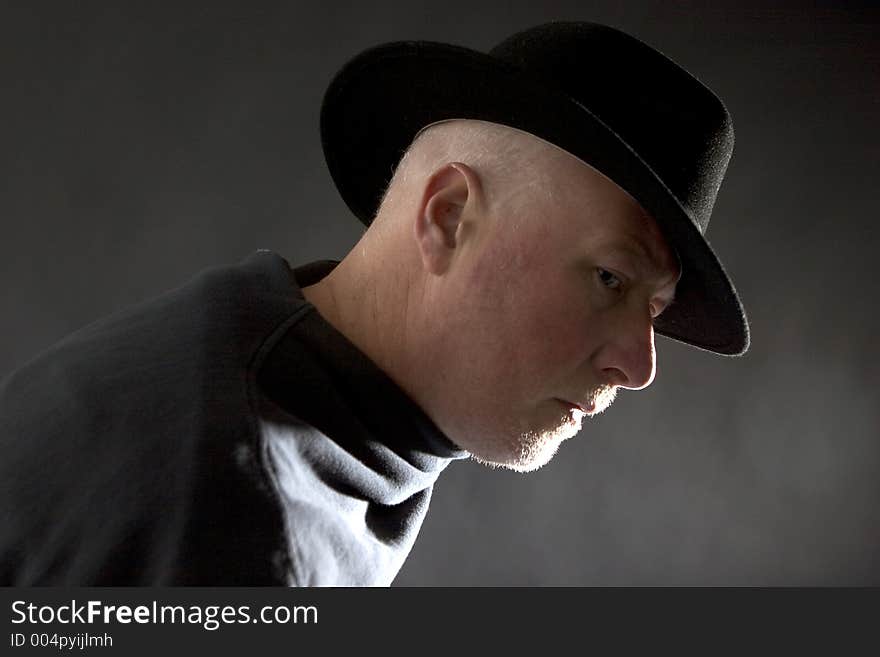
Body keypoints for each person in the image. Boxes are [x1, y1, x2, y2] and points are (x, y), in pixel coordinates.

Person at [0, 21, 748, 586]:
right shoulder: (239, 513)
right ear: (449, 218)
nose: (640, 366)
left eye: (653, 309)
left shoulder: (252, 355)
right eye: (611, 279)